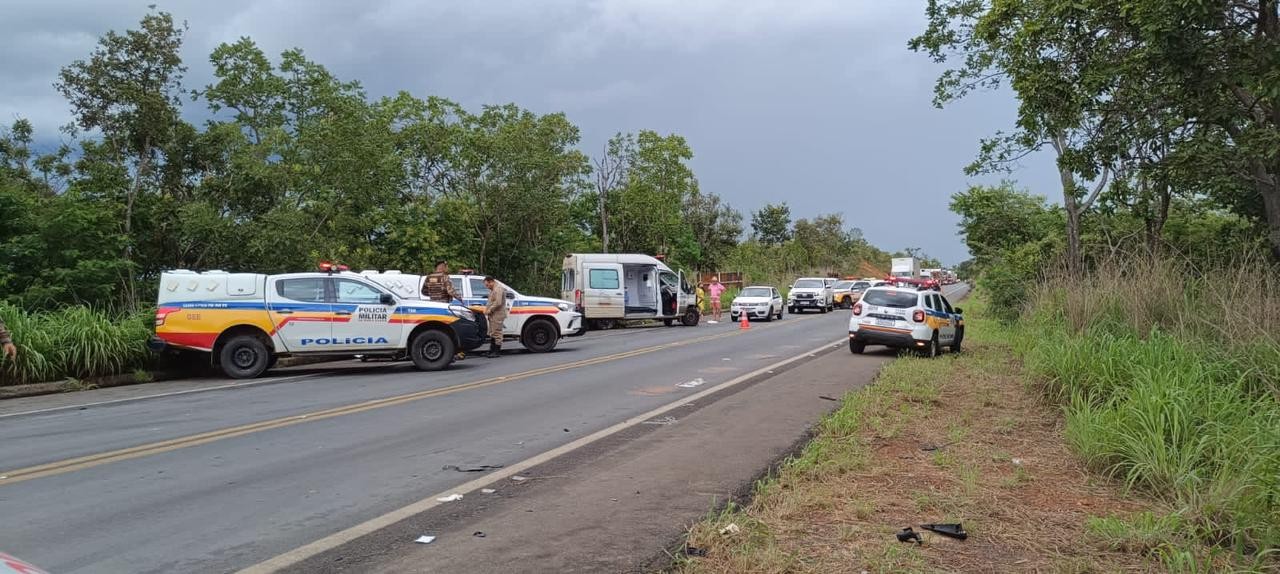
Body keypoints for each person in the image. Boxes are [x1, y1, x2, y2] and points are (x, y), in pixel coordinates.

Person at [483, 276, 508, 358]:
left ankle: (497, 351)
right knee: (492, 332)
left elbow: (498, 302)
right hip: (493, 314)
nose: (487, 287)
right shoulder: (493, 289)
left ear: (491, 282)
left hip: (497, 314)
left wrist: (489, 310)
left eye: (487, 285)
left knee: (497, 332)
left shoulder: (498, 289)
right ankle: (491, 350)